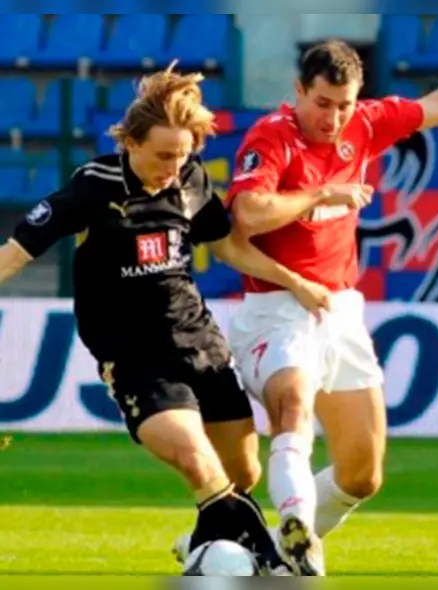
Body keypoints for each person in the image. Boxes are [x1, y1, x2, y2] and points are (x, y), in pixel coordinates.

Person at [173, 35, 438, 576]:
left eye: (344, 105)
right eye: (322, 103)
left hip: (339, 311)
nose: (334, 118)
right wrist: (320, 195)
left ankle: (263, 546)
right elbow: (248, 212)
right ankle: (297, 527)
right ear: (299, 90)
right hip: (276, 306)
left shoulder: (365, 123)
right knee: (293, 403)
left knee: (362, 474)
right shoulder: (273, 136)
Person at [0, 63, 328, 575]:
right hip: (135, 357)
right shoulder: (95, 184)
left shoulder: (192, 178)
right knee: (197, 460)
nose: (173, 167)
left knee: (241, 472)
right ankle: (269, 552)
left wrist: (297, 282)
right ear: (130, 143)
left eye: (182, 154)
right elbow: (17, 251)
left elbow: (228, 247)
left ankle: (203, 547)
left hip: (200, 342)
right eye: (162, 156)